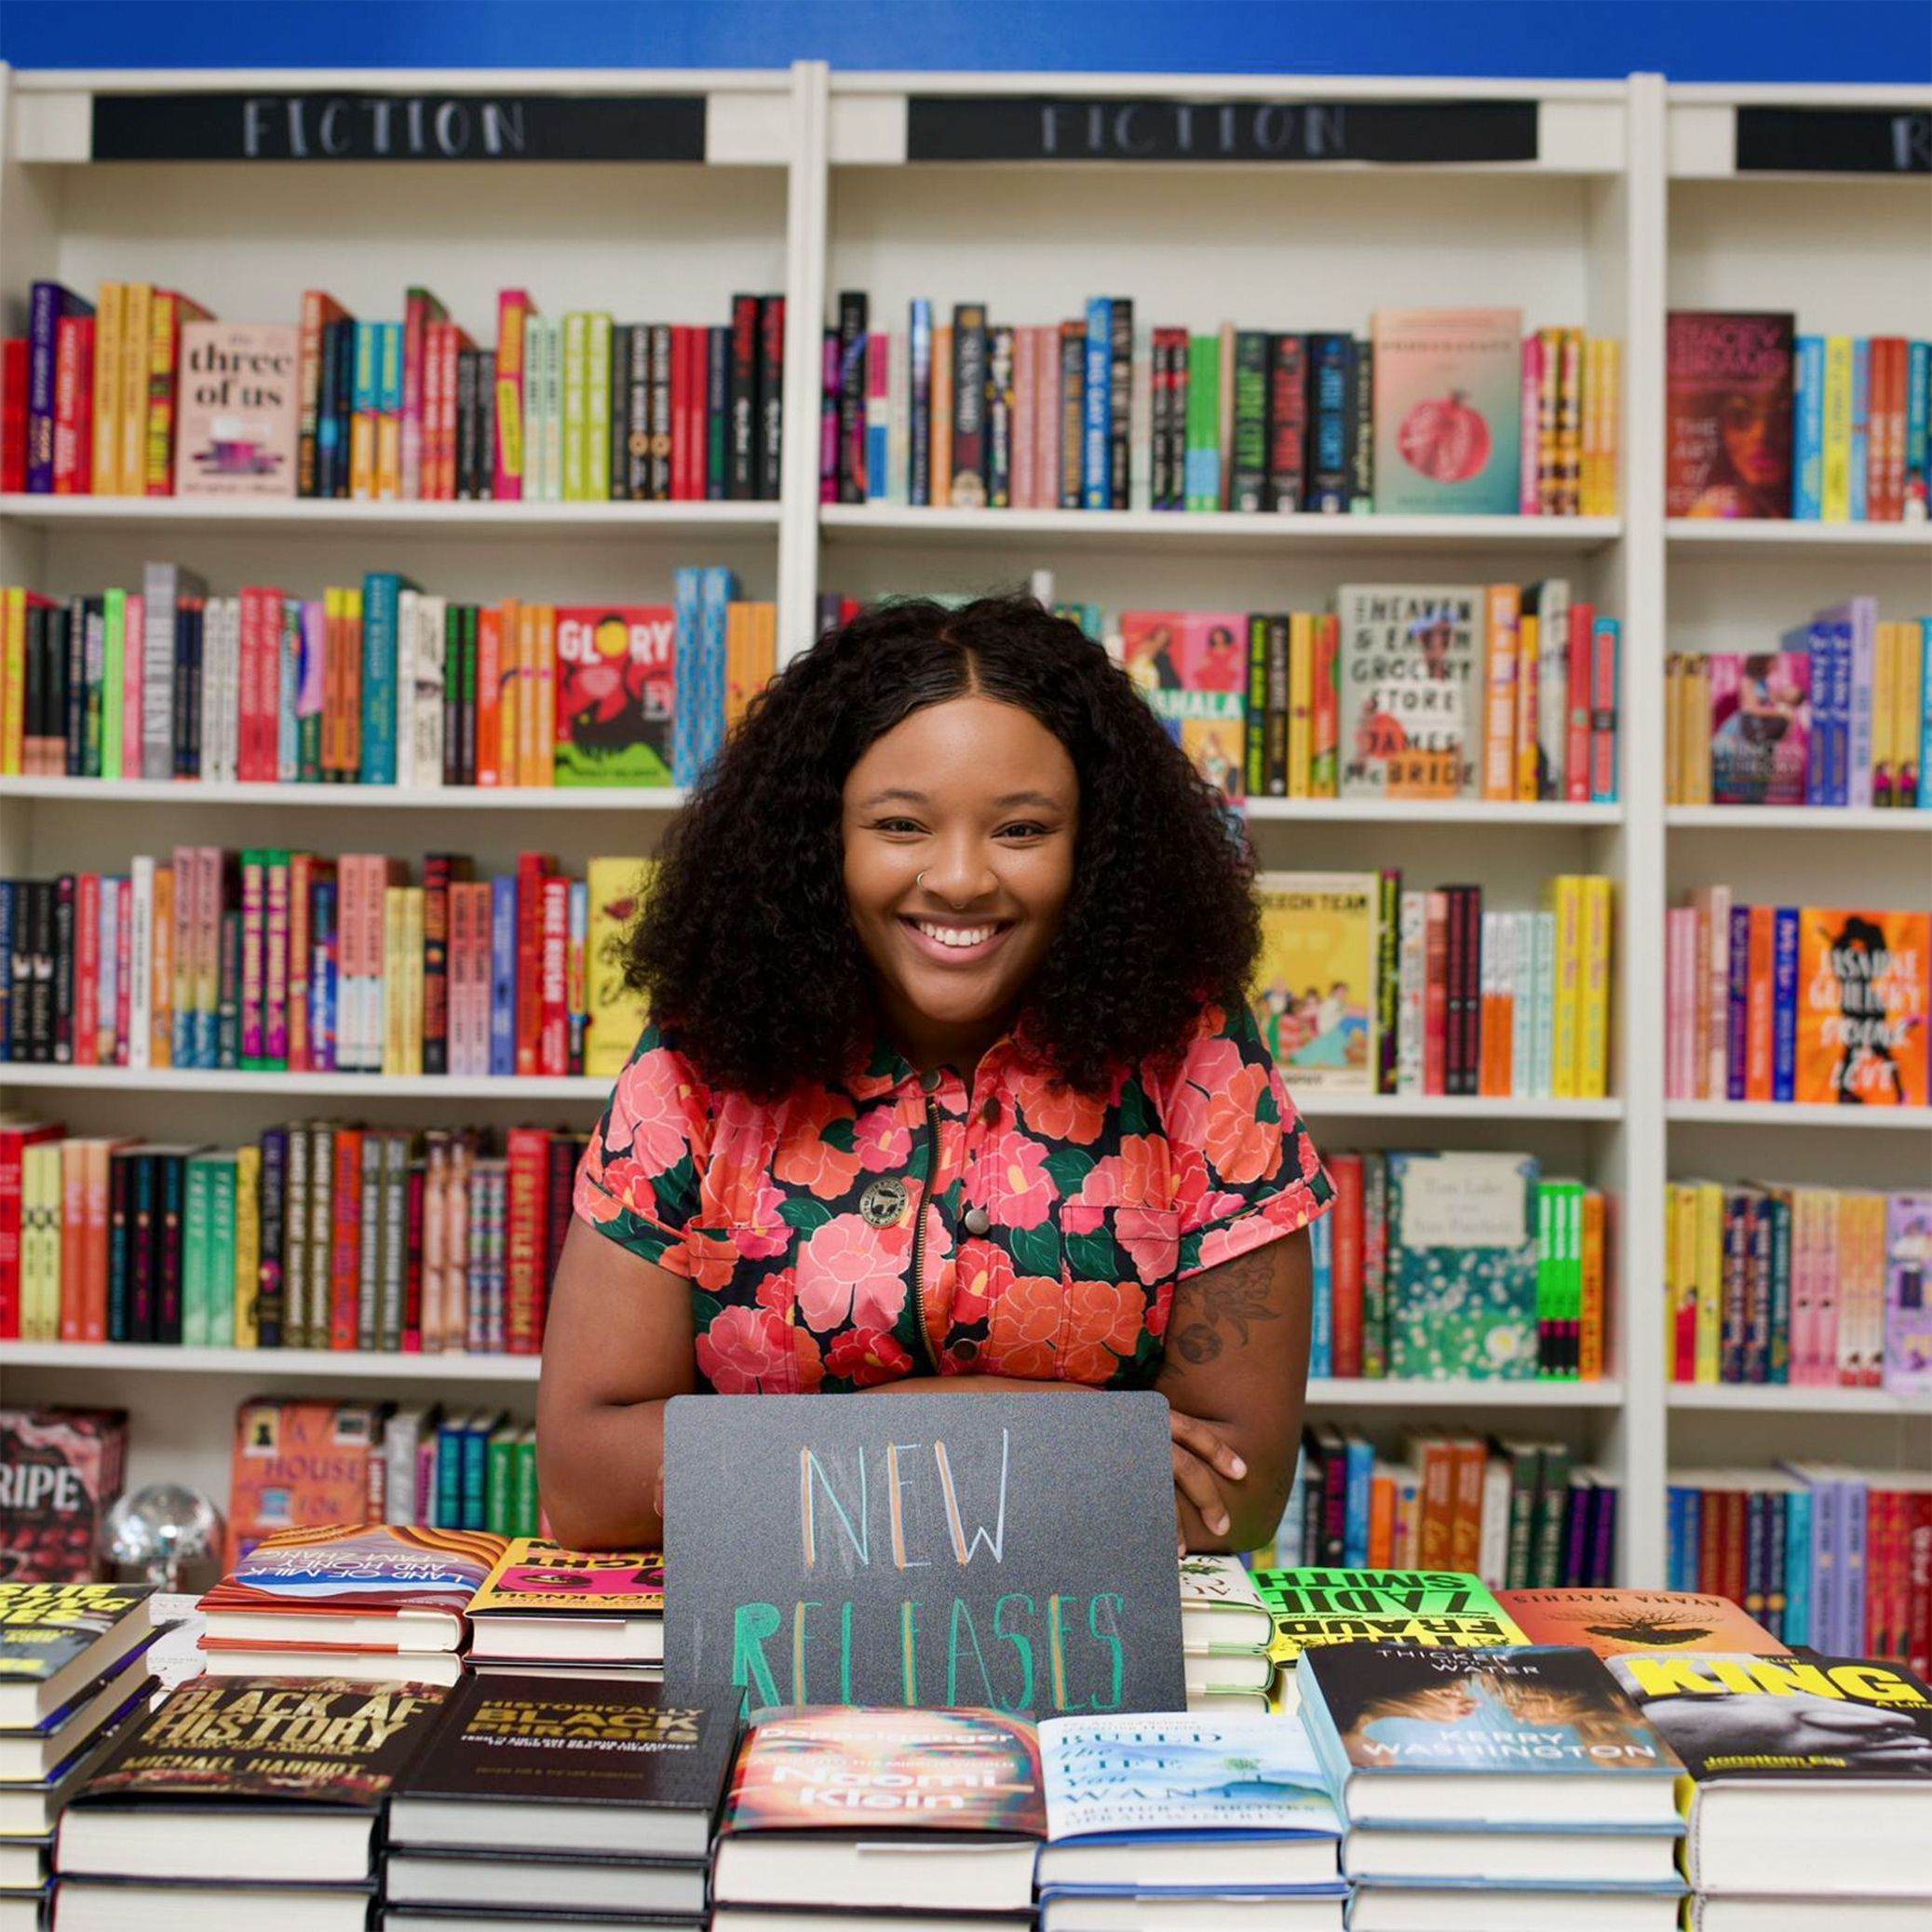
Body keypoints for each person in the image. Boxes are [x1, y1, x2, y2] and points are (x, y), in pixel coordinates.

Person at [538, 596, 1333, 1554]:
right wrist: (1052, 1434)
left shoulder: (1193, 1049)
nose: (959, 878)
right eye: (901, 824)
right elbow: (586, 1482)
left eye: (1022, 830)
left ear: (1097, 848)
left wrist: (758, 1463)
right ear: (819, 839)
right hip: (763, 1655)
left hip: (1085, 1671)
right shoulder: (701, 1055)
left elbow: (1229, 1493)